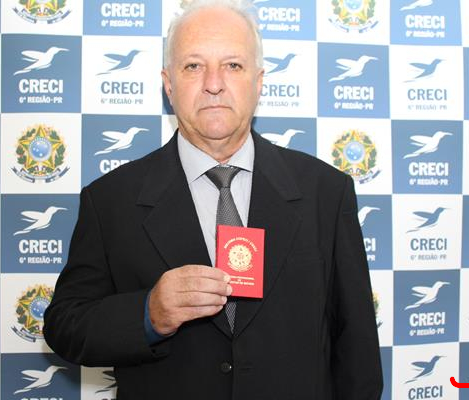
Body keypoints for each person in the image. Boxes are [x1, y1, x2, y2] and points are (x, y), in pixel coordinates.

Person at [43, 0, 383, 399]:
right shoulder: (110, 201)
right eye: (193, 66)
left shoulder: (325, 191)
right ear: (169, 84)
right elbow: (66, 326)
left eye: (233, 65)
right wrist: (148, 313)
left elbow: (357, 347)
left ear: (259, 81)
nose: (214, 83)